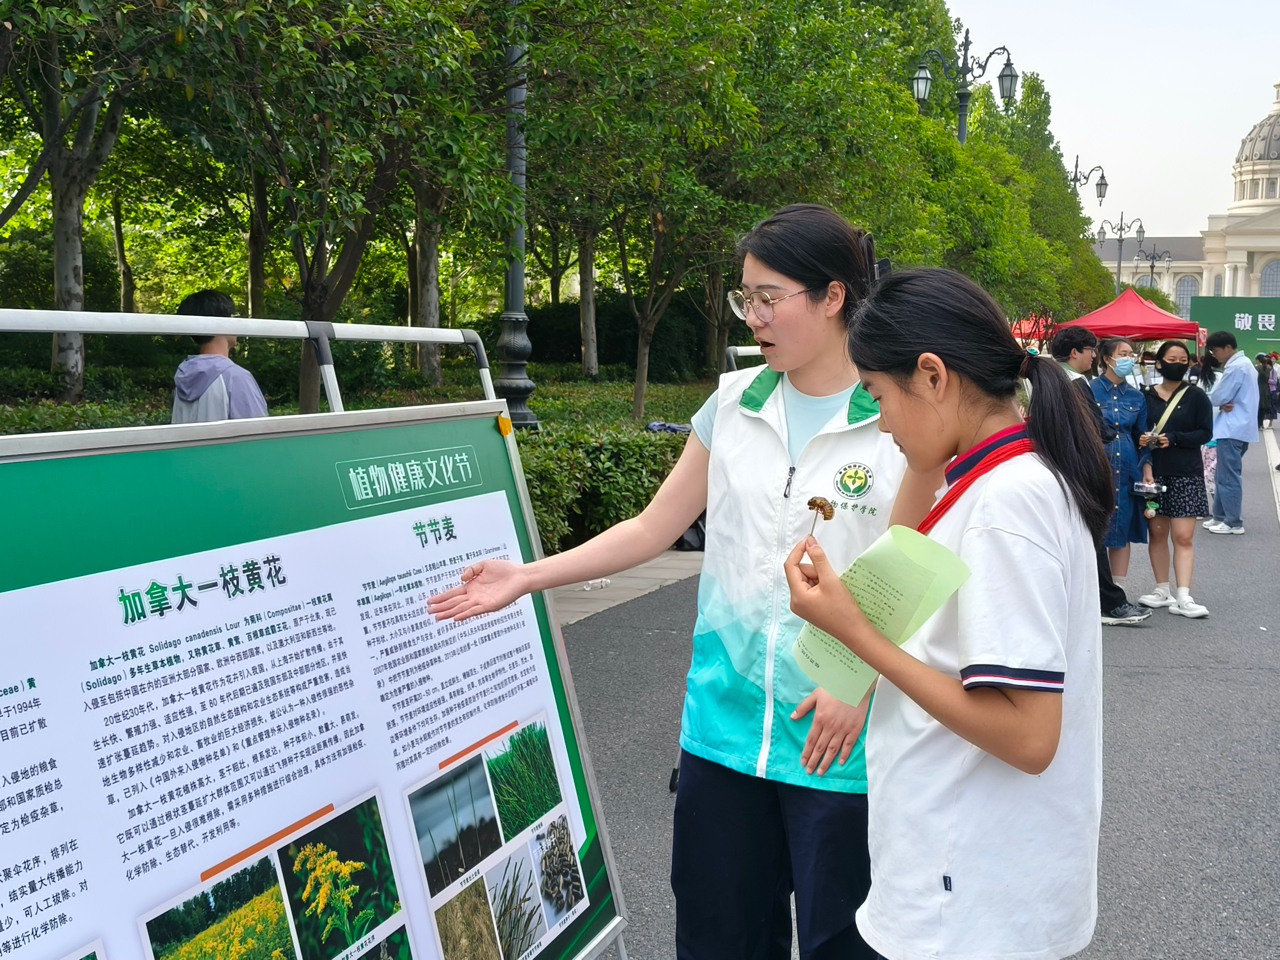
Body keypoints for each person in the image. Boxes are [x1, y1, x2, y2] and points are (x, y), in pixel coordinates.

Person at [427, 204, 940, 959]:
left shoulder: (893, 413)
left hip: (839, 745)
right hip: (721, 735)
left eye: (769, 298)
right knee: (718, 939)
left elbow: (912, 558)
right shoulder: (733, 404)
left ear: (833, 296)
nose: (753, 317)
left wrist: (856, 677)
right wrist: (526, 575)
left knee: (846, 945)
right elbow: (652, 528)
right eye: (745, 298)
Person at [785, 267, 1108, 960]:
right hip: (976, 882)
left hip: (966, 897)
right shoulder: (1005, 478)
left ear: (932, 376)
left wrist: (857, 636)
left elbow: (1029, 737)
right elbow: (910, 552)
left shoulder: (1004, 505)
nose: (881, 423)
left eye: (878, 394)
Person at [1050, 327, 1150, 626]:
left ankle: (1094, 599)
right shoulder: (1077, 382)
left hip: (1058, 466)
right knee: (1092, 537)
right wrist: (1112, 434)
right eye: (1090, 350)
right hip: (1081, 468)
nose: (1093, 355)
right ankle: (1110, 603)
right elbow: (1094, 426)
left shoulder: (1050, 377)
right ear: (1075, 353)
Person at [1137, 342, 1213, 618]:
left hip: (1186, 474)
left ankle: (1184, 595)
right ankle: (1162, 590)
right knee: (1157, 533)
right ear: (1158, 363)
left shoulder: (1196, 396)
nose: (1178, 364)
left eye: (1183, 360)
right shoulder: (1144, 396)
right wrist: (1141, 439)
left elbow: (1205, 432)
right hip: (1153, 473)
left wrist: (1176, 438)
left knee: (1183, 536)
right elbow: (1135, 429)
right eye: (1172, 359)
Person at [1091, 338, 1150, 591]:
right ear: (1107, 359)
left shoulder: (1137, 396)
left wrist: (1147, 468)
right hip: (1096, 465)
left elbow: (1141, 436)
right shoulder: (1088, 390)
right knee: (1095, 526)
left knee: (1121, 526)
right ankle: (1095, 590)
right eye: (1123, 354)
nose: (1129, 359)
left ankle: (1119, 589)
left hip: (1127, 467)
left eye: (1131, 354)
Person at [171, 290, 268, 423]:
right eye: (233, 316)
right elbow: (260, 432)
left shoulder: (183, 377)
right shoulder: (236, 377)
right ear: (222, 323)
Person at [1203, 330, 1259, 534]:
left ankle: (1233, 522)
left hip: (1231, 428)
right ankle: (1220, 516)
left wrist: (1220, 401)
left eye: (1215, 350)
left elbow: (1218, 396)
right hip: (1239, 427)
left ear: (1227, 347)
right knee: (1222, 475)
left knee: (1228, 477)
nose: (1214, 355)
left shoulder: (1235, 367)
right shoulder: (1245, 364)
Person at [1255, 354, 1273, 429]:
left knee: (1258, 406)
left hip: (1258, 387)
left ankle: (1258, 424)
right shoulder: (1268, 368)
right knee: (1263, 406)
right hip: (1265, 388)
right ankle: (1261, 424)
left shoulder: (1257, 368)